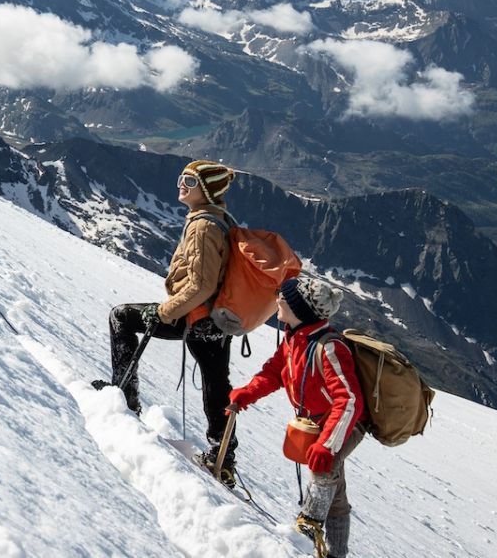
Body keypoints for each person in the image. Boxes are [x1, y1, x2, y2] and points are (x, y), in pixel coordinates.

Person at [92, 160, 239, 484]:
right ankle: (223, 458)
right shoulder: (220, 220)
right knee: (217, 386)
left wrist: (167, 310)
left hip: (196, 316)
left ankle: (125, 398)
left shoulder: (203, 227)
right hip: (218, 321)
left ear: (207, 189)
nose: (181, 184)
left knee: (122, 317)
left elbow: (201, 285)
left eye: (189, 180)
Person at [228, 277, 365, 558]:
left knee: (324, 469)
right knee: (336, 495)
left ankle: (309, 525)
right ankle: (337, 553)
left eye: (285, 298)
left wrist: (326, 444)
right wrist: (246, 393)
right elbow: (274, 371)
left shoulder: (329, 347)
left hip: (344, 423)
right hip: (320, 421)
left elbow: (349, 401)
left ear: (299, 309)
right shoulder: (296, 337)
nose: (278, 299)